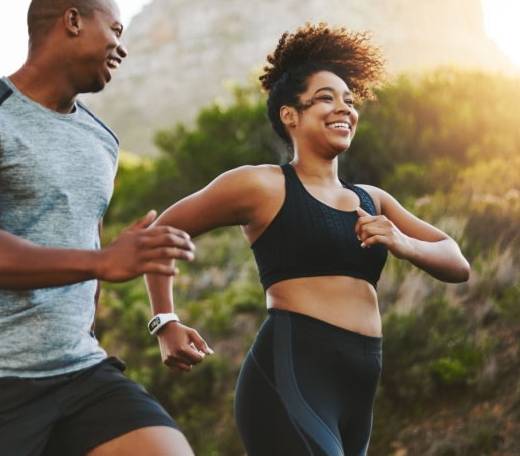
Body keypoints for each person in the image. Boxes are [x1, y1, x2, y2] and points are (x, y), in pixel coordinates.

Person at [143, 23, 471, 456]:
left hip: (358, 390)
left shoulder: (373, 200)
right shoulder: (261, 186)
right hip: (289, 380)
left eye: (350, 101)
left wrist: (404, 244)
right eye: (325, 99)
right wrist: (164, 321)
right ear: (289, 115)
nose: (344, 109)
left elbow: (457, 262)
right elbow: (159, 236)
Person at [0, 0, 197, 456]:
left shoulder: (101, 140)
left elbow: (87, 245)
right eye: (114, 30)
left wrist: (116, 270)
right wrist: (102, 262)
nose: (122, 47)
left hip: (82, 372)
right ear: (72, 21)